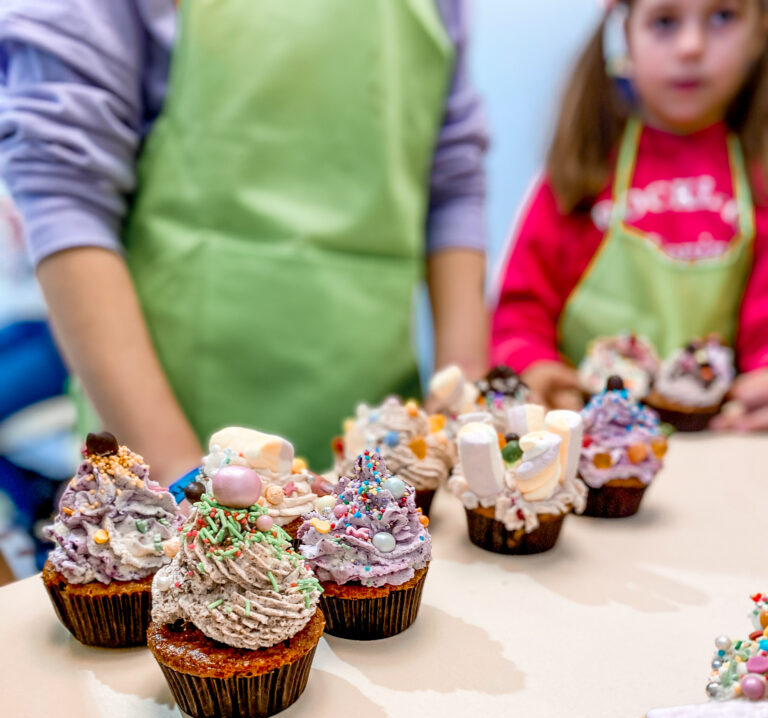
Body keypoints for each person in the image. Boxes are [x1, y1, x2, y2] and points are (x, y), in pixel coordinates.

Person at [0, 0, 489, 480]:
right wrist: (176, 475)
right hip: (170, 437)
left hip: (385, 448)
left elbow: (452, 180)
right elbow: (66, 194)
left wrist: (458, 423)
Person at [490, 0, 768, 428]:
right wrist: (533, 365)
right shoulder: (581, 173)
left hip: (718, 444)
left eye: (721, 16)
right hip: (585, 437)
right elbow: (519, 315)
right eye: (664, 21)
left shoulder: (759, 177)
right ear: (624, 34)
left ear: (759, 31)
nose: (691, 46)